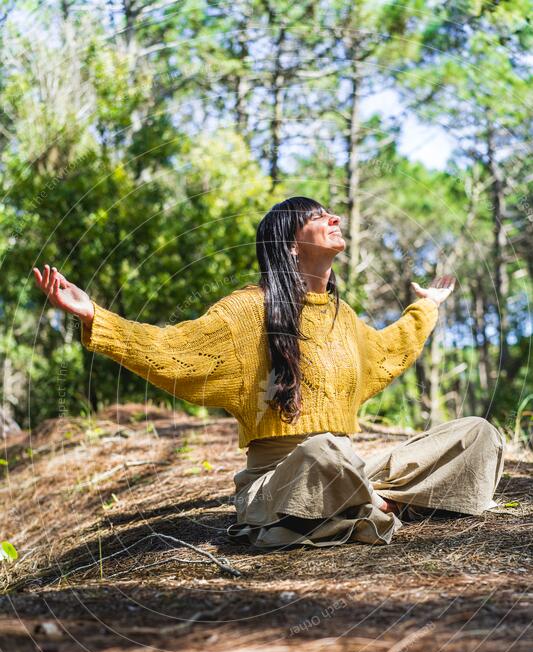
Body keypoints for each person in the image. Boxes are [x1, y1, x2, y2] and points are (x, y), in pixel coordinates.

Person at [33, 196, 505, 550]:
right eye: (317, 216)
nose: (333, 218)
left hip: (351, 468)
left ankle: (367, 505)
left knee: (476, 434)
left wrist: (427, 306)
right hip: (283, 476)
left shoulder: (344, 317)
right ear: (289, 241)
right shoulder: (245, 312)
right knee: (323, 451)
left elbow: (388, 350)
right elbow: (170, 350)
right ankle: (362, 506)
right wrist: (95, 316)